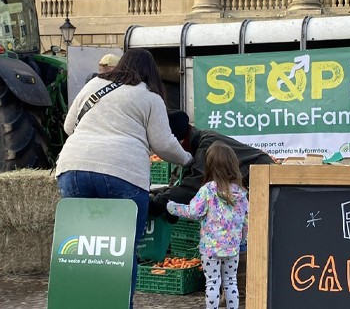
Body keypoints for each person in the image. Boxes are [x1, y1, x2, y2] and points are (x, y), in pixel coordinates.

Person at [55, 48, 193, 309]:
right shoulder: (150, 97)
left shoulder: (94, 85)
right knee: (122, 248)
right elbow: (163, 144)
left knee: (78, 246)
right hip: (123, 173)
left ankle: (75, 302)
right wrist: (187, 159)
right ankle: (117, 304)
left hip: (73, 168)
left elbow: (68, 127)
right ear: (150, 72)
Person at [166, 141, 248, 309]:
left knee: (212, 283)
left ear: (210, 165)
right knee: (231, 282)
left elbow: (193, 212)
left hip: (210, 248)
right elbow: (245, 220)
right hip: (232, 247)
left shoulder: (208, 190)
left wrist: (171, 207)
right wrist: (243, 240)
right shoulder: (241, 193)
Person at [148, 110, 276, 215]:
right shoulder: (198, 145)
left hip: (262, 173)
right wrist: (156, 193)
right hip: (250, 178)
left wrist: (158, 203)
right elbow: (182, 184)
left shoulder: (207, 145)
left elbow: (192, 187)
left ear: (181, 142)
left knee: (261, 224)